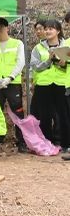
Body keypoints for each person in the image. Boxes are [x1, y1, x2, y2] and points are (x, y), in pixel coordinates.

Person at [0, 18, 27, 152]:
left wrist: (10, 77)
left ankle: (22, 142)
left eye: (0, 27)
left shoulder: (17, 43)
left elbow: (20, 62)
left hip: (13, 83)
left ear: (7, 28)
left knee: (18, 112)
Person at [30, 19, 70, 151]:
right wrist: (48, 61)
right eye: (46, 29)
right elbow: (35, 66)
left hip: (61, 84)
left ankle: (65, 144)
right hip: (43, 85)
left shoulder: (66, 46)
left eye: (51, 29)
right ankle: (46, 143)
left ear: (58, 31)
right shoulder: (38, 48)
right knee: (44, 116)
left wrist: (63, 64)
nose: (47, 31)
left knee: (63, 115)